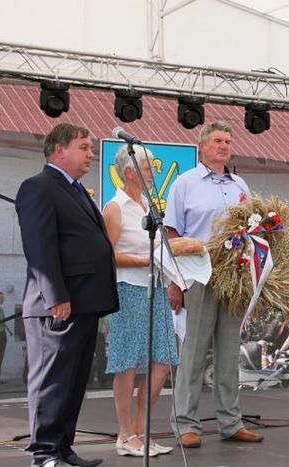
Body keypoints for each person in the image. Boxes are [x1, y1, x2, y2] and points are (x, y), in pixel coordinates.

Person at [15, 123, 119, 467]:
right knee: (52, 382)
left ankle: (62, 448)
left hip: (84, 303)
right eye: (84, 147)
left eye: (91, 148)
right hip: (57, 305)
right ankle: (44, 453)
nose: (91, 154)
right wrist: (55, 295)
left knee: (73, 382)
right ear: (59, 150)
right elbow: (39, 248)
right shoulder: (38, 187)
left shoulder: (76, 190)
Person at [166, 121, 263, 447]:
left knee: (229, 352)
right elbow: (172, 234)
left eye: (228, 141)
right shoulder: (185, 183)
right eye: (218, 141)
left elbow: (251, 229)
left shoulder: (240, 185)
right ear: (202, 146)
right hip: (198, 275)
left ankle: (231, 422)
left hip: (234, 276)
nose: (223, 146)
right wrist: (175, 281)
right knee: (193, 352)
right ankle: (185, 423)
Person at [102, 145, 179, 456]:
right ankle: (124, 434)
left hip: (156, 287)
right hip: (128, 289)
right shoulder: (115, 208)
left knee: (163, 359)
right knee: (128, 361)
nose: (153, 174)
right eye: (147, 168)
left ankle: (140, 431)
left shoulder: (148, 205)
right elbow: (106, 256)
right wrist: (145, 261)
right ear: (129, 172)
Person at [0, 291, 7, 384]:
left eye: (2, 298)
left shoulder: (1, 310)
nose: (2, 299)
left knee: (0, 357)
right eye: (0, 298)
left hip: (2, 334)